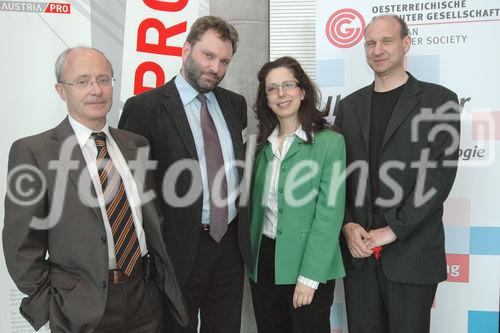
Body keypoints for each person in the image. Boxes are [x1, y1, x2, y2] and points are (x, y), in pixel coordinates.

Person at [2, 47, 187, 332]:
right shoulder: (33, 152)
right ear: (61, 91)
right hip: (81, 309)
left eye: (103, 80)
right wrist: (50, 308)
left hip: (145, 298)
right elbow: (20, 245)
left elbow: (149, 220)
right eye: (82, 81)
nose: (96, 90)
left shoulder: (135, 144)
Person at [118, 16, 252, 332]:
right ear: (186, 49)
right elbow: (130, 189)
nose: (215, 68)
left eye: (224, 61)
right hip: (177, 249)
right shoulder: (144, 108)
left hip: (230, 245)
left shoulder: (235, 104)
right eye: (208, 56)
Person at [334, 15, 460, 333]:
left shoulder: (440, 101)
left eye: (387, 41)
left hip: (412, 254)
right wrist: (348, 225)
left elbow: (438, 178)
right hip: (359, 256)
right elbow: (338, 178)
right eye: (370, 43)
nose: (377, 50)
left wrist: (392, 230)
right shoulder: (349, 107)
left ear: (406, 44)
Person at [248, 56, 346, 333]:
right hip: (264, 263)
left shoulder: (330, 143)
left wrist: (310, 277)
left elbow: (329, 214)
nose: (281, 94)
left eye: (288, 85)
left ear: (302, 91)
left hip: (308, 263)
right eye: (272, 88)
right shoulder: (260, 147)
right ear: (265, 98)